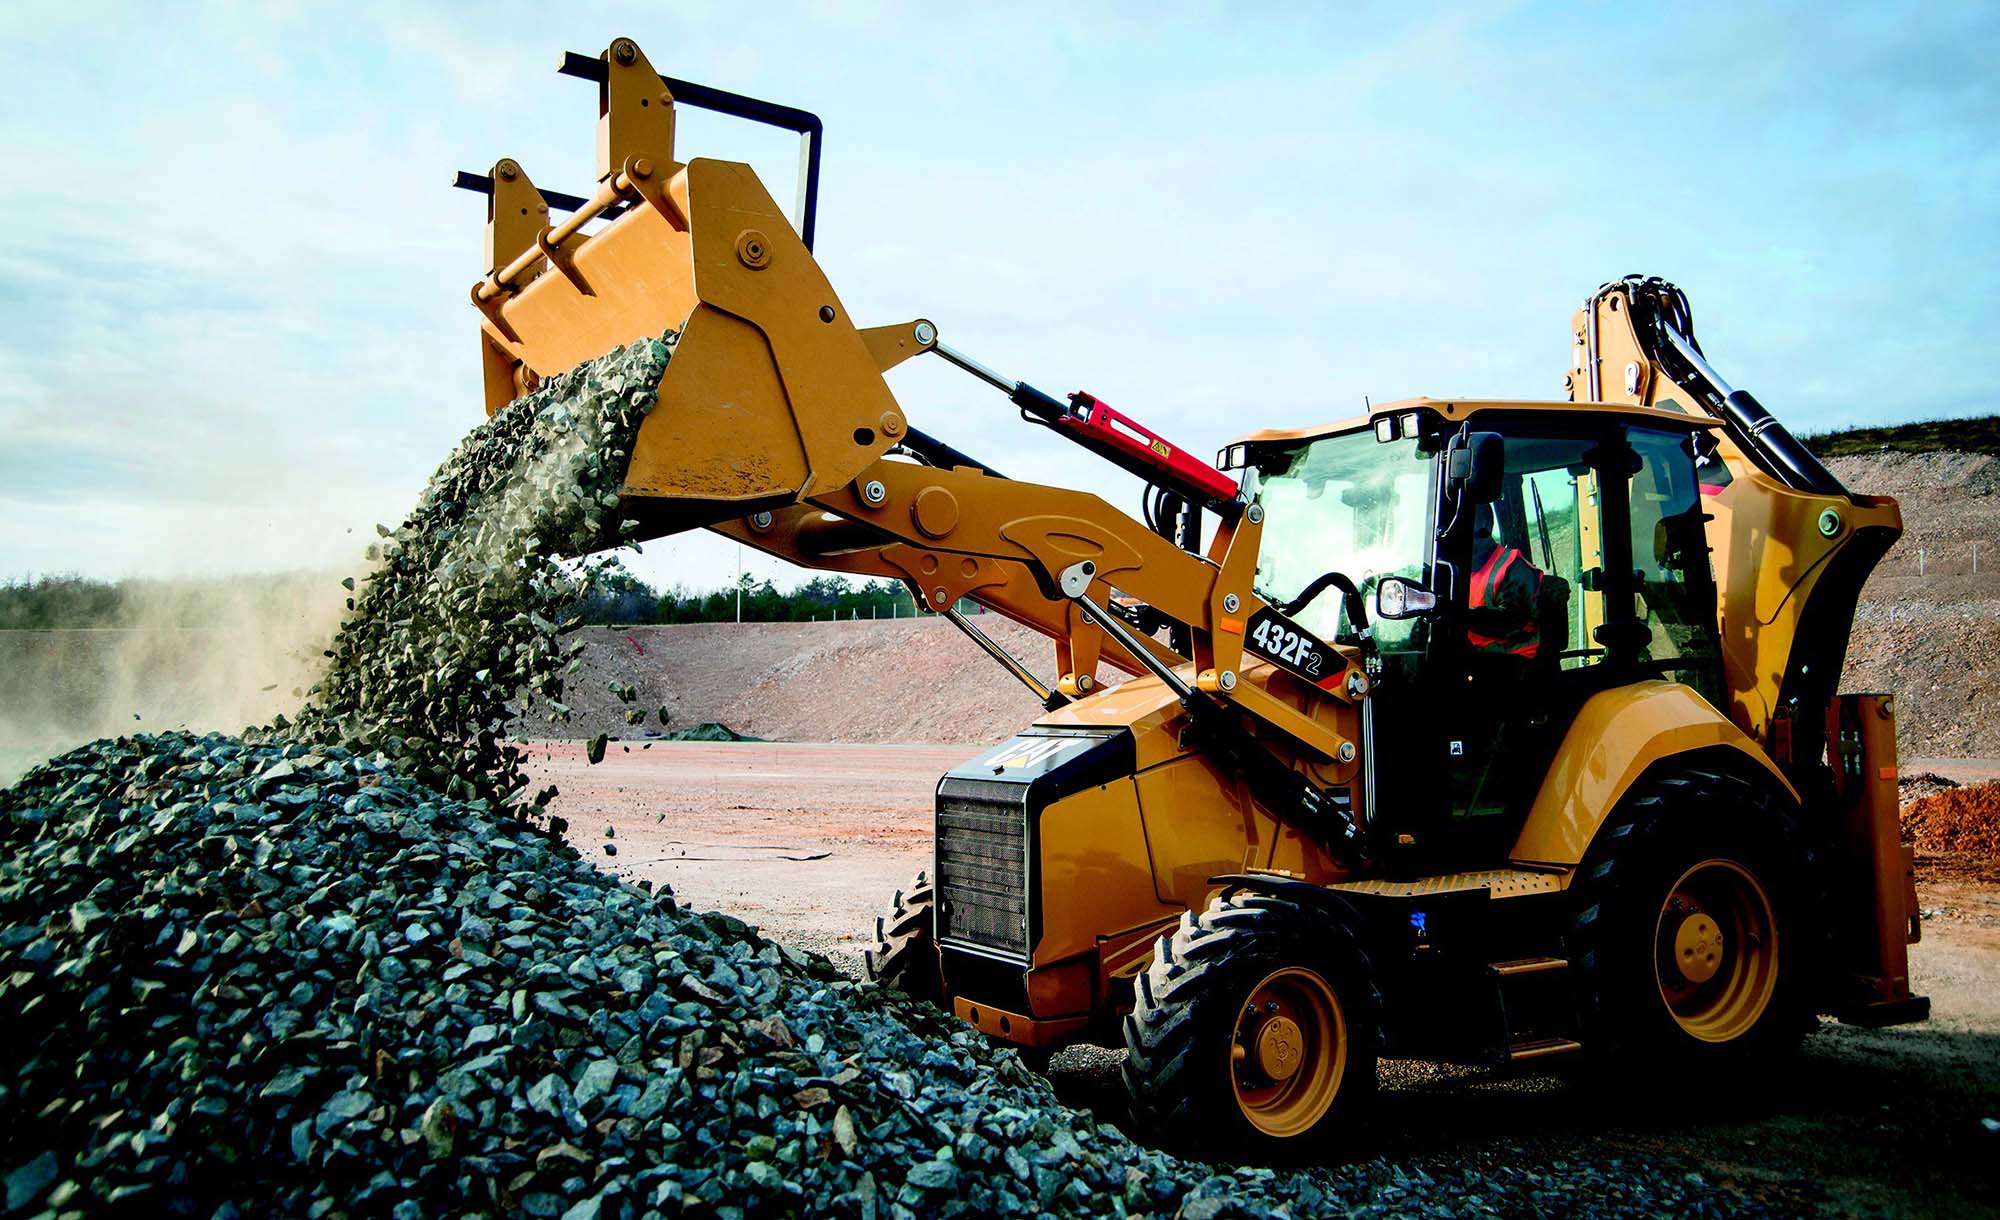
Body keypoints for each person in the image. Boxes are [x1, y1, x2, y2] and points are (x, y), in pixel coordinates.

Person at [1466, 503, 1546, 659]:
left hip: (1515, 663)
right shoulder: (1456, 570)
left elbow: (1509, 622)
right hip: (1474, 659)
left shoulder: (1514, 567)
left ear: (1484, 526)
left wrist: (1458, 615)